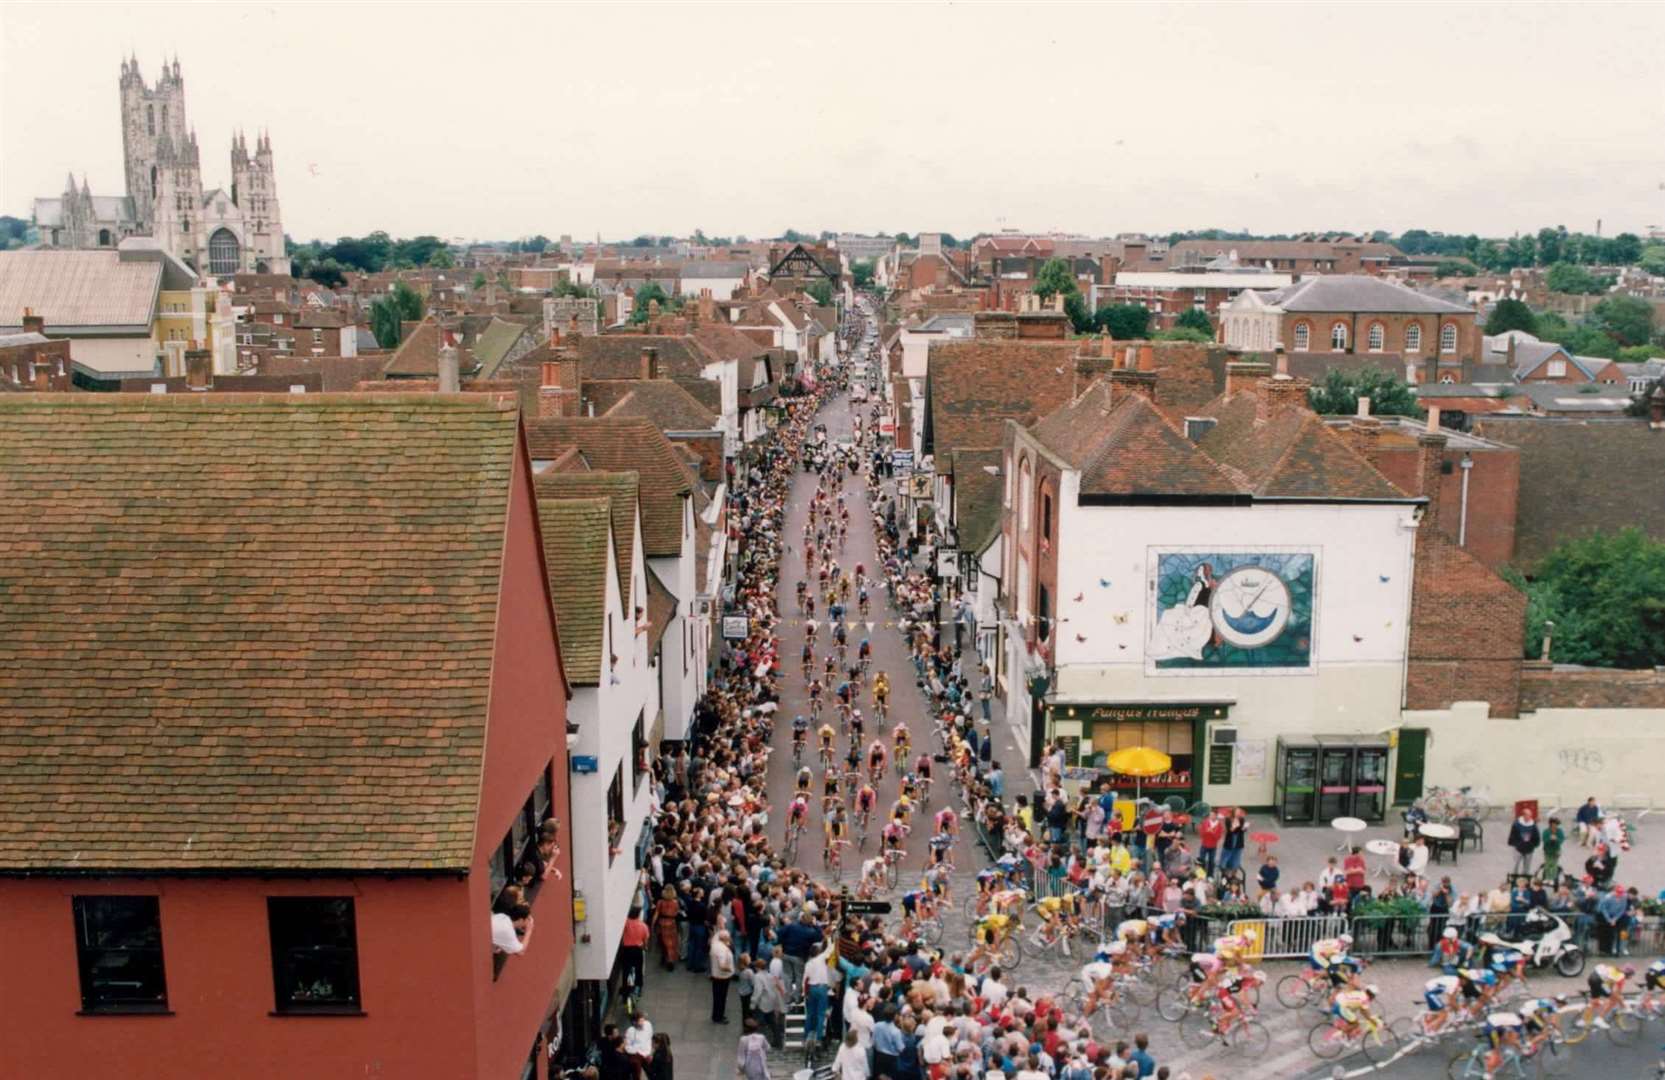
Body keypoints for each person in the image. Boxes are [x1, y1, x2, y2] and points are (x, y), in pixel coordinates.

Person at [710, 929, 736, 1024]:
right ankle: (718, 1017)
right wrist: (730, 969)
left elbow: (716, 935)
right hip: (722, 977)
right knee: (721, 998)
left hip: (716, 975)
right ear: (725, 938)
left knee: (717, 997)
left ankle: (716, 1015)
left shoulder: (715, 943)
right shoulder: (722, 950)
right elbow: (722, 965)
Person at [1507, 811, 1540, 878]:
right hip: (1518, 848)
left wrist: (1533, 844)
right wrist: (1517, 843)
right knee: (1516, 864)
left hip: (1529, 848)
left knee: (1527, 866)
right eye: (1528, 815)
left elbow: (1536, 836)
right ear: (1524, 815)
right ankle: (1514, 878)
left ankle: (1525, 879)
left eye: (1530, 815)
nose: (1529, 817)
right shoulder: (1517, 824)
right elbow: (1513, 835)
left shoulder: (1533, 825)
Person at [624, 1013, 654, 1080]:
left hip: (647, 1054)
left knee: (652, 1073)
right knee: (636, 1076)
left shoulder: (648, 1025)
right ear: (634, 1022)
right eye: (640, 1021)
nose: (643, 1023)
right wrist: (636, 1052)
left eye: (643, 1020)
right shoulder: (630, 1031)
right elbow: (627, 1047)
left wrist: (649, 1050)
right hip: (636, 1055)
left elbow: (650, 1037)